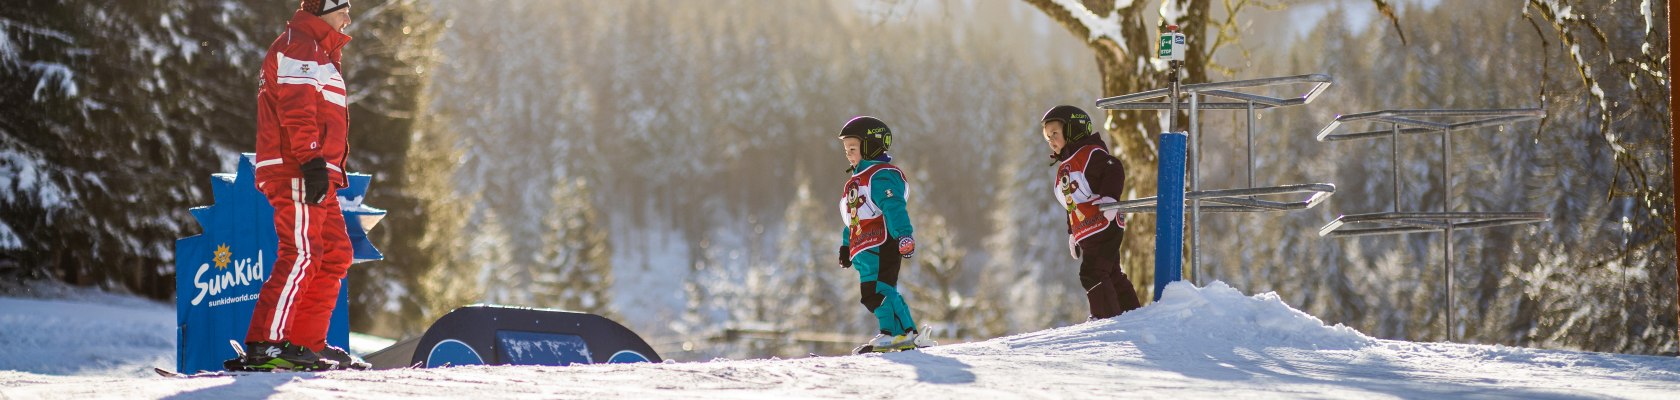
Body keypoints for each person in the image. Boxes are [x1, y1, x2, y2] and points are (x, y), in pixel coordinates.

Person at [234, 0, 367, 371]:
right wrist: (310, 160)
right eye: (344, 7)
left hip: (315, 169)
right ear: (324, 9)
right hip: (297, 167)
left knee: (336, 252)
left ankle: (305, 343)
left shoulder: (318, 50)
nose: (348, 17)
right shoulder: (300, 45)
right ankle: (267, 344)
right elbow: (297, 107)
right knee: (303, 252)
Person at [835, 116, 935, 352]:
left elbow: (894, 207)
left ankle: (898, 333)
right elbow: (852, 217)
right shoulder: (856, 180)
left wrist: (904, 235)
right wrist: (845, 245)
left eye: (852, 148)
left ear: (870, 146)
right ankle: (899, 332)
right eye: (845, 149)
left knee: (878, 290)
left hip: (882, 243)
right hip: (864, 247)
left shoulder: (881, 175)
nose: (848, 154)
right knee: (874, 292)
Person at [1040, 105, 1142, 320]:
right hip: (1088, 229)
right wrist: (1072, 233)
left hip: (1103, 223)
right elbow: (1072, 204)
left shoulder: (1090, 154)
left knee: (1092, 273)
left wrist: (1109, 200)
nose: (1051, 140)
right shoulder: (1064, 166)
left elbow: (1113, 167)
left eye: (1055, 134)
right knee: (1110, 273)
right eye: (1048, 137)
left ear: (1073, 129)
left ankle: (1105, 318)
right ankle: (1133, 315)